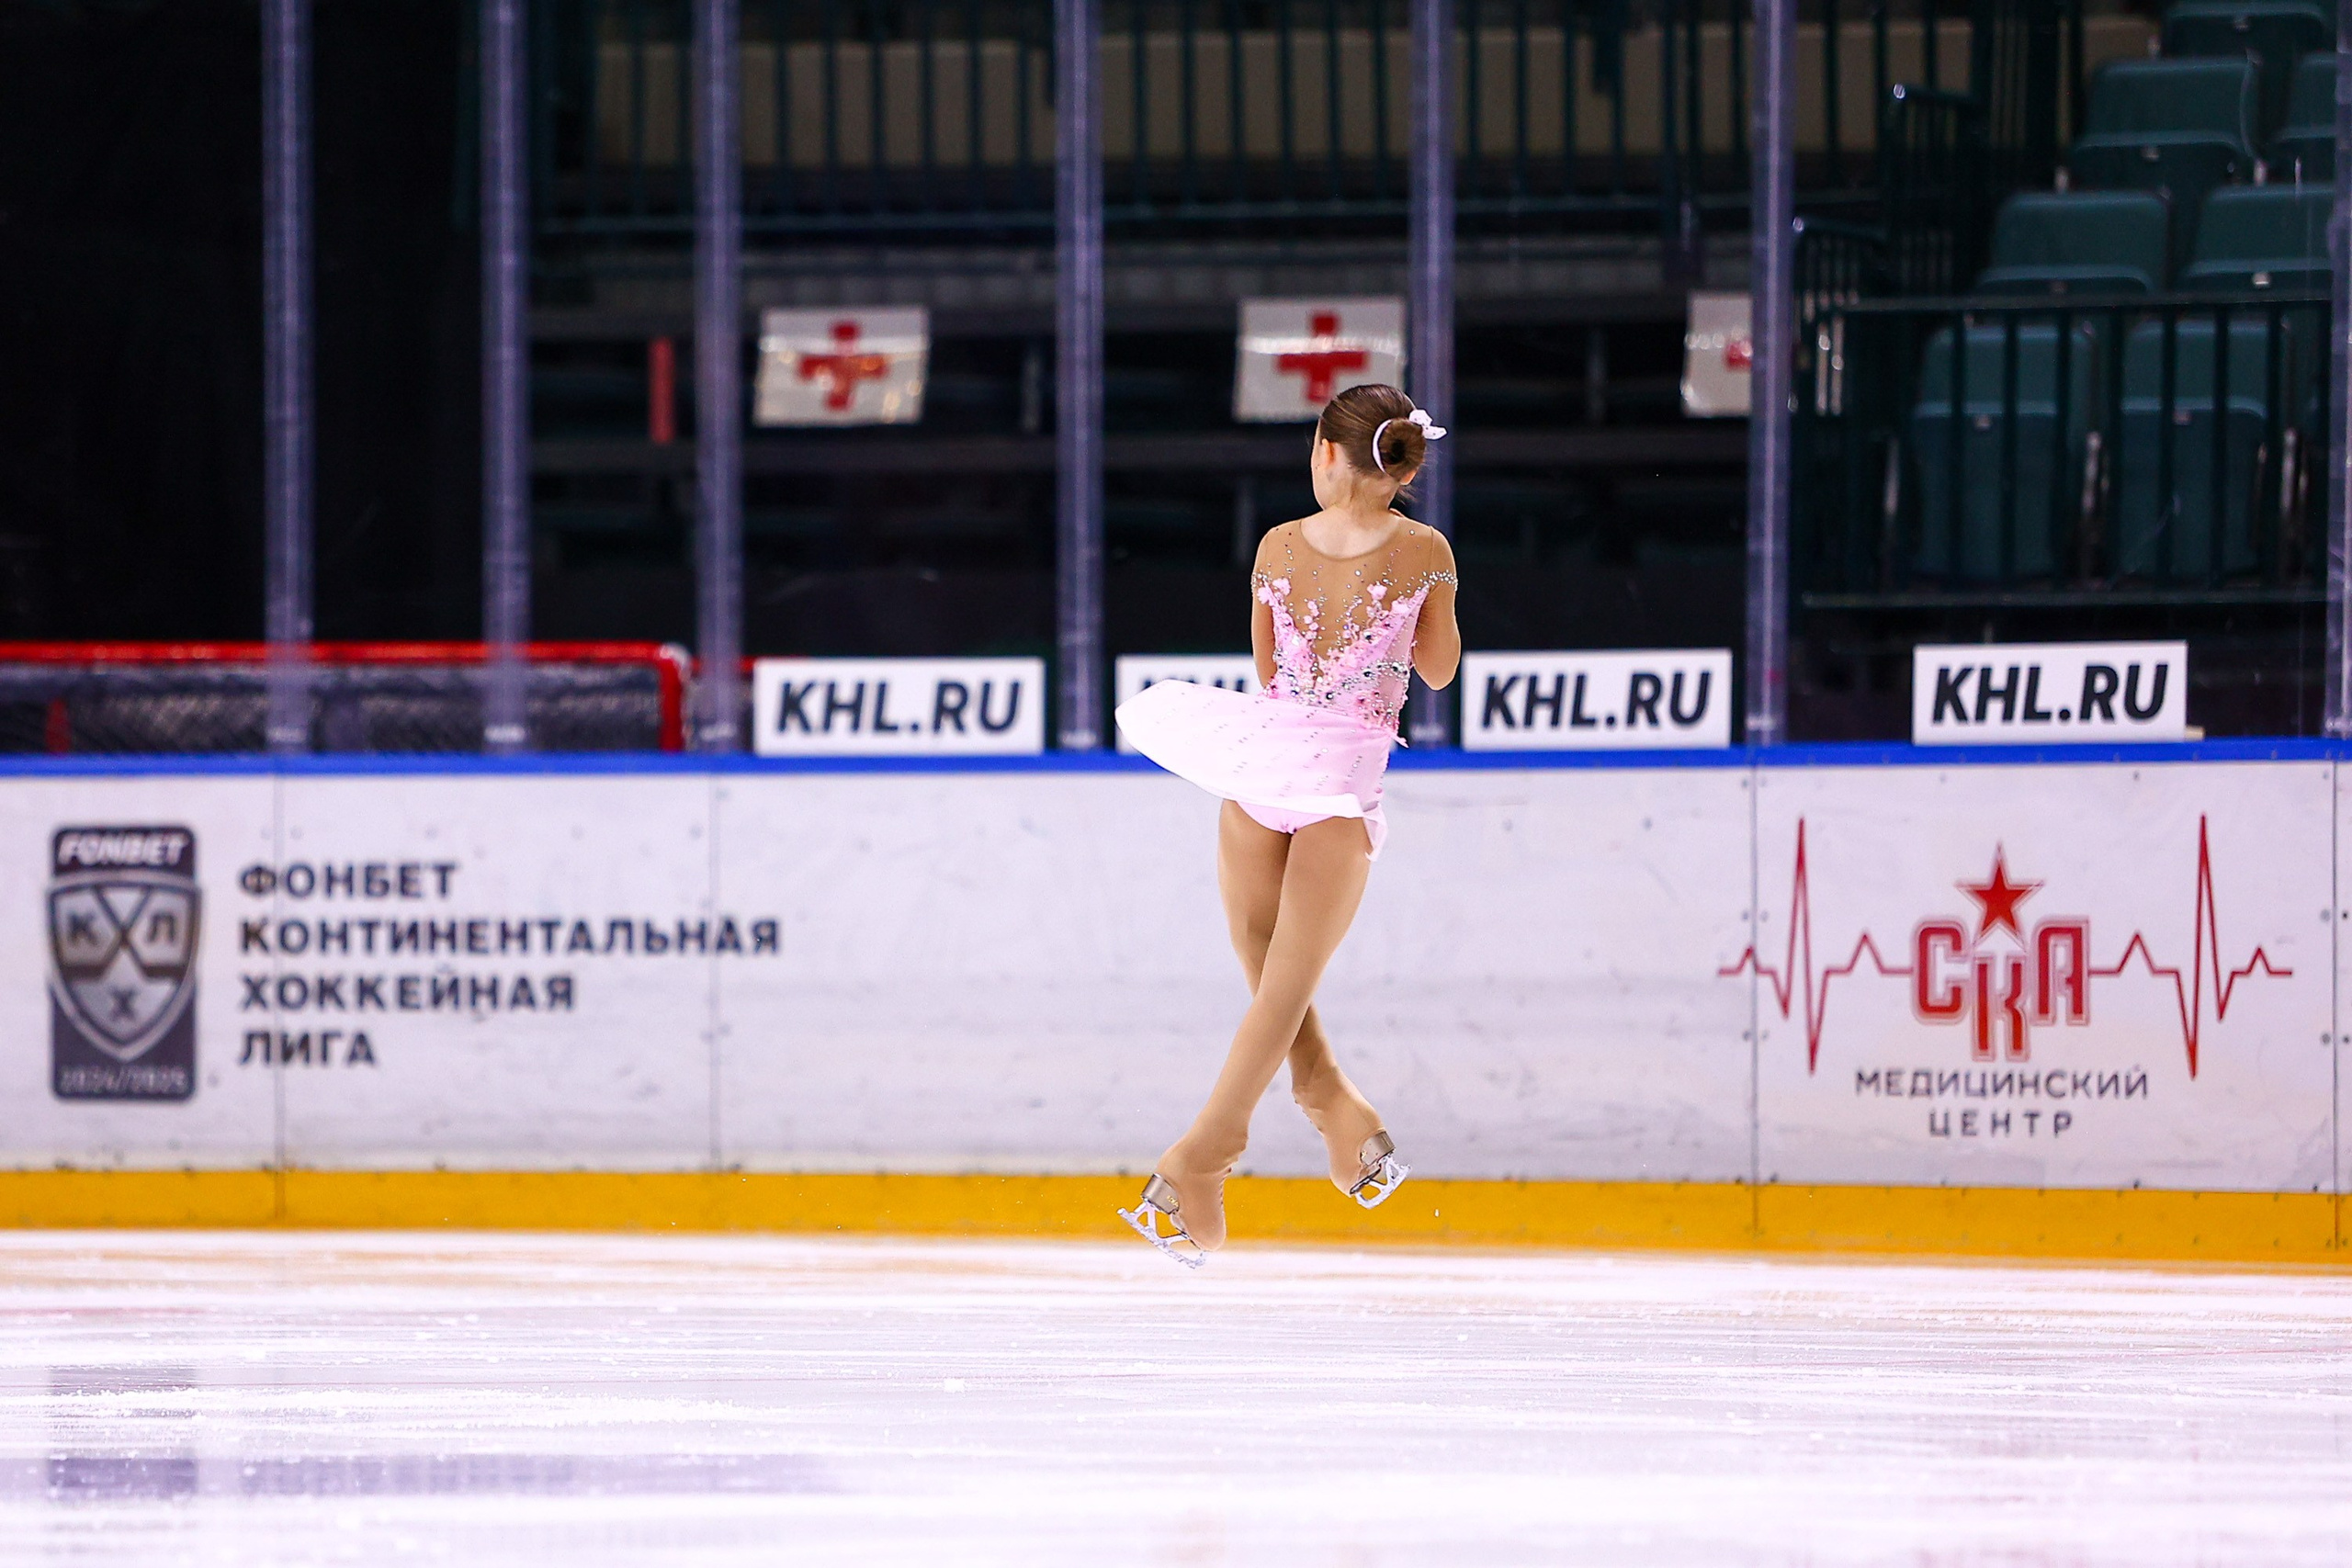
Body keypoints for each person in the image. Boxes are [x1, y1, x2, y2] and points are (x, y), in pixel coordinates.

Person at [1112, 383, 1461, 1267]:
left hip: (1258, 769)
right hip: (1340, 785)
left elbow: (1268, 661)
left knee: (1272, 973)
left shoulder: (1275, 543)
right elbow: (1441, 668)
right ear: (1403, 466)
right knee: (1282, 984)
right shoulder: (1425, 549)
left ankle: (1323, 1110)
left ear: (1328, 455)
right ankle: (1211, 1151)